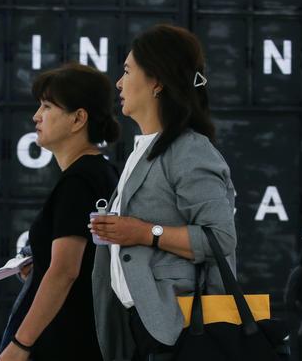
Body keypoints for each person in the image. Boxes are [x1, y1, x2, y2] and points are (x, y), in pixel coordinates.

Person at [90, 24, 237, 361]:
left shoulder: (190, 150)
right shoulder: (143, 150)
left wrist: (144, 233)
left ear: (156, 81)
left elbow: (220, 237)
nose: (119, 83)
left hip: (175, 328)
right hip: (137, 325)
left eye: (127, 71)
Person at [0, 63, 120, 361]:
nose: (36, 116)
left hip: (65, 343)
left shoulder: (79, 181)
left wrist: (19, 346)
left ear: (78, 118)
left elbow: (64, 271)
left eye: (47, 106)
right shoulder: (102, 172)